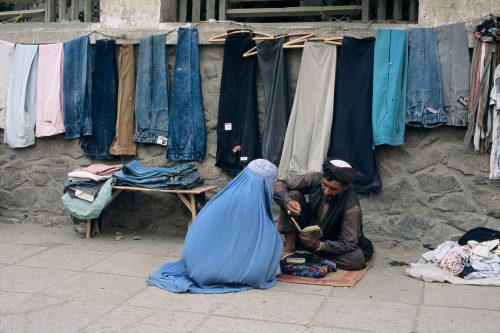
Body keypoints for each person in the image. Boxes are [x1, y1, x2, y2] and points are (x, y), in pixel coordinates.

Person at [148, 159, 283, 293]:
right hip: (210, 270)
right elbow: (258, 247)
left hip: (194, 260)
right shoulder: (251, 204)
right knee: (271, 242)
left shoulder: (230, 193)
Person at [273, 159, 373, 270]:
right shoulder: (315, 178)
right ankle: (290, 248)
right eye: (325, 185)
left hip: (329, 243)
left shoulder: (352, 208)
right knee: (292, 195)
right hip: (307, 233)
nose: (326, 191)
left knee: (357, 259)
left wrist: (320, 245)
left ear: (345, 187)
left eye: (333, 189)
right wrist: (287, 201)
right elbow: (280, 185)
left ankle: (310, 256)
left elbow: (347, 244)